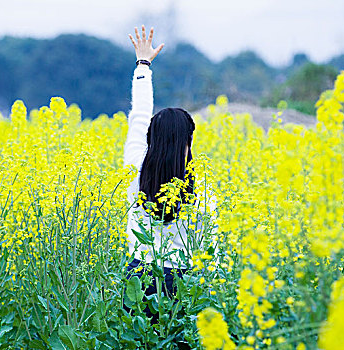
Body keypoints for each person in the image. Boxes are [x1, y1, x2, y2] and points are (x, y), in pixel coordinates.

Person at [124, 25, 205, 325]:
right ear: (188, 143)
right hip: (183, 281)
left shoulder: (135, 166)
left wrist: (143, 66)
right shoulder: (200, 185)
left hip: (139, 275)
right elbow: (213, 244)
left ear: (151, 138)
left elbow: (139, 115)